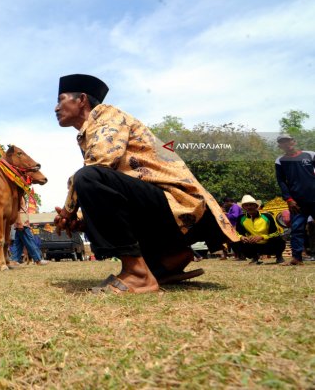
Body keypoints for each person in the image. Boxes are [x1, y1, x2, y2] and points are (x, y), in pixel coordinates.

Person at [53, 74, 239, 293]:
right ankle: (170, 259)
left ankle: (138, 275)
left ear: (81, 99)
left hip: (181, 204)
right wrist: (82, 218)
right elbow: (115, 185)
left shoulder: (106, 114)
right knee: (90, 183)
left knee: (88, 177)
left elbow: (100, 164)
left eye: (61, 100)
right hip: (169, 209)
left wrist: (68, 211)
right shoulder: (90, 131)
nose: (56, 108)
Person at [274, 134, 315, 265]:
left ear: (294, 141)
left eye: (288, 140)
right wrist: (289, 199)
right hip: (297, 202)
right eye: (283, 142)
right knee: (297, 228)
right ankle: (297, 258)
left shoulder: (310, 155)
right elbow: (281, 181)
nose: (286, 143)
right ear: (280, 146)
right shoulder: (280, 160)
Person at [233, 195, 285, 265]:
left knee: (279, 239)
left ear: (256, 206)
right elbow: (237, 233)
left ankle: (279, 256)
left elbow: (276, 233)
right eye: (246, 205)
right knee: (236, 242)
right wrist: (242, 237)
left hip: (268, 243)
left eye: (251, 205)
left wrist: (262, 237)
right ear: (243, 207)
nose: (249, 207)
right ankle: (254, 257)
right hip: (253, 244)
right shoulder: (241, 218)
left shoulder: (267, 217)